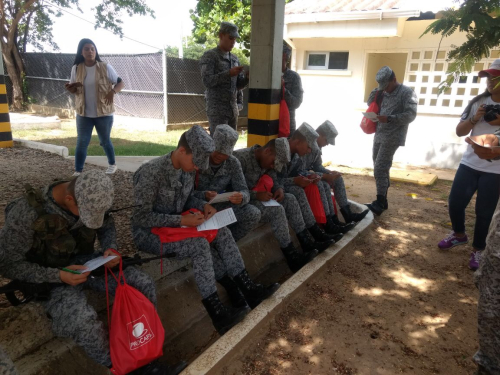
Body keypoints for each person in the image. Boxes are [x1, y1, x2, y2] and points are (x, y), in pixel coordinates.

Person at [0, 170, 185, 375]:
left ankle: (145, 354)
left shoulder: (94, 194)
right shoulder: (26, 213)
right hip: (47, 278)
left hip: (87, 263)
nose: (91, 220)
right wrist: (59, 275)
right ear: (69, 198)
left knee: (143, 285)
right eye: (86, 215)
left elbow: (106, 225)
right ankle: (128, 370)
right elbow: (9, 264)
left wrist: (111, 248)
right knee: (82, 321)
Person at [130, 125, 279, 335]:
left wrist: (203, 206)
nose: (198, 168)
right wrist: (180, 219)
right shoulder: (150, 173)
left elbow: (187, 197)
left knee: (222, 229)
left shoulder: (187, 168)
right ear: (182, 151)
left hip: (178, 224)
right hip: (150, 234)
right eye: (195, 162)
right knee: (199, 245)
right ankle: (218, 314)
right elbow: (141, 217)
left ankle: (246, 287)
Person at [234, 138, 332, 273]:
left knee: (289, 199)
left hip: (256, 197)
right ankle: (292, 257)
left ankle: (305, 243)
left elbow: (274, 177)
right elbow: (231, 192)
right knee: (277, 210)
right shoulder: (239, 159)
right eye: (273, 163)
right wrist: (255, 195)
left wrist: (278, 188)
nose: (273, 166)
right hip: (239, 202)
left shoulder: (267, 160)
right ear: (267, 151)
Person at [437, 61, 500, 271]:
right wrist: (475, 118)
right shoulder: (477, 101)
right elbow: (460, 131)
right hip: (470, 163)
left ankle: (478, 250)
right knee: (455, 202)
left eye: (495, 77)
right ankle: (458, 234)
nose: (491, 82)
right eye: (488, 77)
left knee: (484, 212)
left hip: (495, 170)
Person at [466, 131, 500, 375]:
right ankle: (487, 365)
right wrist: (491, 141)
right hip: (496, 248)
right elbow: (491, 142)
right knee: (489, 312)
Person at [65, 38, 124, 177]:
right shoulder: (76, 68)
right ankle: (78, 171)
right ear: (81, 52)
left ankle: (112, 164)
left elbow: (120, 83)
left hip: (104, 113)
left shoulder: (105, 66)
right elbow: (74, 90)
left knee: (104, 141)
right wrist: (70, 88)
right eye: (87, 49)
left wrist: (112, 92)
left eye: (92, 49)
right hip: (84, 113)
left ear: (95, 51)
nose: (90, 51)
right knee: (81, 142)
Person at [194, 125, 261, 242]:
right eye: (218, 150)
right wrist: (204, 195)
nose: (220, 155)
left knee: (253, 213)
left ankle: (228, 242)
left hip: (220, 208)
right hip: (197, 208)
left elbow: (244, 190)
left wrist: (241, 197)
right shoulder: (198, 159)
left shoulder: (232, 163)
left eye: (224, 153)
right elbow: (185, 195)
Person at [365, 66, 418, 215]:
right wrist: (377, 91)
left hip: (394, 135)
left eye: (386, 86)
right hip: (380, 132)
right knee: (377, 164)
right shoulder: (381, 91)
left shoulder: (407, 92)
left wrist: (389, 118)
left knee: (380, 167)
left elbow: (411, 115)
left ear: (394, 79)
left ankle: (380, 202)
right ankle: (383, 200)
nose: (385, 89)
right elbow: (370, 103)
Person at [278, 123, 342, 243]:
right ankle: (312, 236)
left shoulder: (295, 153)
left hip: (284, 186)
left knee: (306, 188)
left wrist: (309, 176)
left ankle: (319, 230)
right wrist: (295, 180)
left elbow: (298, 172)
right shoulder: (280, 150)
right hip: (271, 189)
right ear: (298, 142)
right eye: (308, 147)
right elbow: (275, 180)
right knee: (295, 194)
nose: (309, 151)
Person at [302, 120, 369, 224]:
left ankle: (347, 214)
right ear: (320, 135)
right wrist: (324, 176)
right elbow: (300, 171)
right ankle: (330, 221)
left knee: (338, 179)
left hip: (309, 175)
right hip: (301, 177)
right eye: (327, 140)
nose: (327, 144)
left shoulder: (317, 146)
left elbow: (317, 166)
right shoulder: (307, 145)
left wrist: (329, 173)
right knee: (322, 184)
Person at [200, 22, 248, 135]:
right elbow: (207, 81)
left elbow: (238, 86)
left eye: (235, 39)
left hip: (232, 110)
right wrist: (228, 73)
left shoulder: (235, 59)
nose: (233, 42)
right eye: (230, 38)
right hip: (217, 111)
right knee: (218, 144)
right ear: (221, 35)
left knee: (230, 142)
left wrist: (247, 78)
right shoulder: (210, 56)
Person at [282, 44, 304, 136]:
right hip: (269, 122)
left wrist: (283, 89)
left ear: (285, 56)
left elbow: (296, 103)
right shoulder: (267, 75)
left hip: (287, 125)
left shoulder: (294, 77)